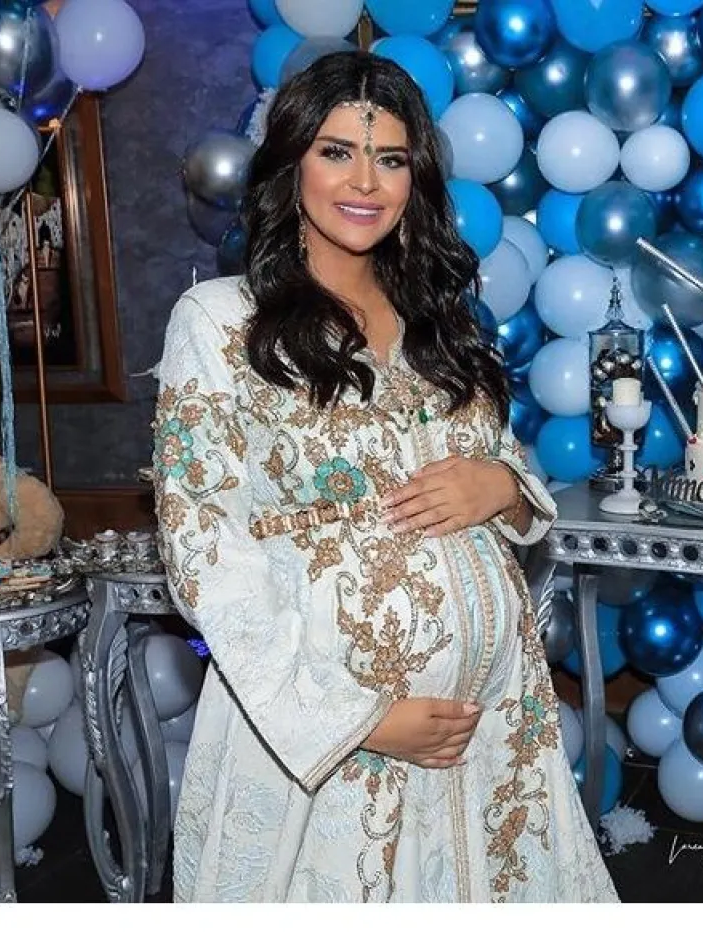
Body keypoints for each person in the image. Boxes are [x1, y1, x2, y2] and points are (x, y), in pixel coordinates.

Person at [153, 51, 619, 903]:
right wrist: (359, 720)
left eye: (392, 159)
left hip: (489, 739)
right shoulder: (222, 322)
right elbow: (204, 551)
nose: (365, 181)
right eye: (336, 152)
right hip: (330, 743)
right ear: (291, 163)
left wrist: (504, 487)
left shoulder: (438, 323)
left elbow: (505, 462)